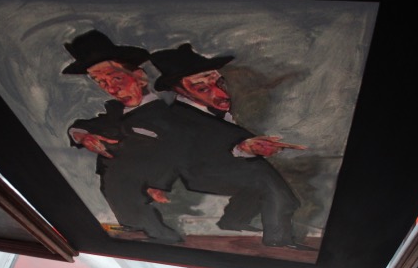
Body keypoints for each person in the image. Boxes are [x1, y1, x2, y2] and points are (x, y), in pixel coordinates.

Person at [150, 43, 305, 247]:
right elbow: (181, 153)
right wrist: (242, 148)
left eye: (219, 83)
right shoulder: (178, 118)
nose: (222, 94)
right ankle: (279, 240)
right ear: (179, 90)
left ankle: (234, 221)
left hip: (222, 166)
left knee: (259, 171)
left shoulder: (207, 110)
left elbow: (225, 137)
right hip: (199, 173)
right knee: (265, 180)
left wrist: (246, 147)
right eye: (203, 89)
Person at [62, 30, 183, 243]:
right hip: (125, 211)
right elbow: (81, 127)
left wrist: (159, 183)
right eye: (100, 82)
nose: (111, 88)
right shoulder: (115, 114)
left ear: (140, 77)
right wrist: (83, 136)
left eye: (116, 78)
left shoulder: (169, 114)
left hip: (161, 202)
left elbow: (180, 151)